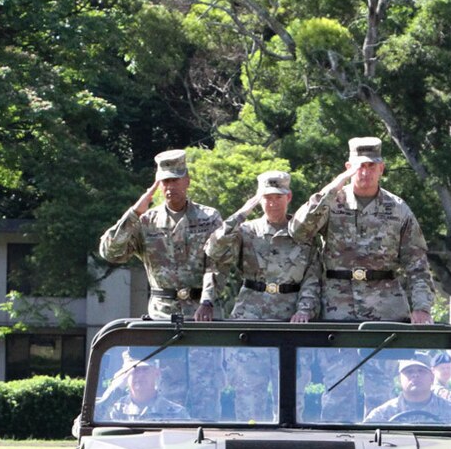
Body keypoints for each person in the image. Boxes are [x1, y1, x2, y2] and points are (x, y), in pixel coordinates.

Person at [290, 136, 434, 323]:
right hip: (337, 307)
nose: (365, 173)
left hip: (386, 309)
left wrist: (422, 308)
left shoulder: (398, 209)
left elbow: (417, 263)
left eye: (371, 166)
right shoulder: (331, 202)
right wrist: (332, 188)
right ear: (349, 168)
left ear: (381, 168)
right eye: (359, 167)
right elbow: (298, 232)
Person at [98, 149, 222, 321]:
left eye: (175, 180)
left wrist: (207, 301)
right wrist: (133, 213)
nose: (170, 186)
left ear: (187, 181)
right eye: (165, 181)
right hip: (162, 314)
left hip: (202, 313)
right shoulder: (146, 222)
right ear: (158, 185)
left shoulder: (209, 218)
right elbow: (110, 253)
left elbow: (216, 265)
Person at [205, 170, 322, 323]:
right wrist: (241, 214)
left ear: (289, 197)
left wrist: (305, 311)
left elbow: (311, 278)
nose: (273, 204)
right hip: (249, 313)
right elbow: (214, 250)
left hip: (291, 315)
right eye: (267, 198)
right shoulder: (246, 231)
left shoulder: (304, 234)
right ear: (259, 200)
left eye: (278, 197)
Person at [363, 358, 451, 424]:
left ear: (432, 378)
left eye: (421, 371)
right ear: (399, 380)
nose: (415, 375)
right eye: (409, 372)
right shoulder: (383, 414)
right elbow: (366, 441)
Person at [100, 356, 192, 423]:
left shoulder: (176, 413)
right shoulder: (116, 410)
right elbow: (91, 422)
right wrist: (117, 387)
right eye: (135, 370)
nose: (140, 375)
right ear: (126, 375)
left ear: (156, 373)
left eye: (145, 369)